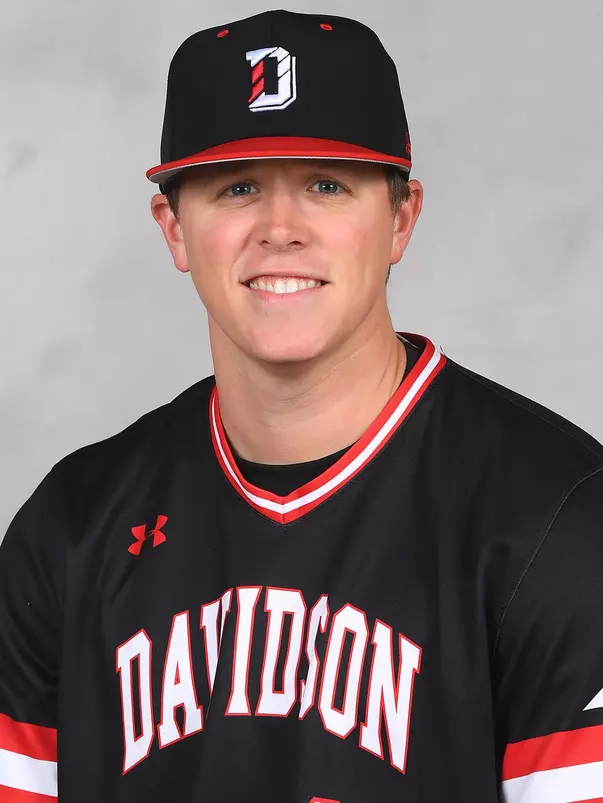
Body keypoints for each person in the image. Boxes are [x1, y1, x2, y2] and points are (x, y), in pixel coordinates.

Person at [1, 9, 602, 803]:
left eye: (326, 185)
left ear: (400, 219)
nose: (280, 230)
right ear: (174, 229)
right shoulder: (73, 528)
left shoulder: (557, 521)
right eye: (237, 187)